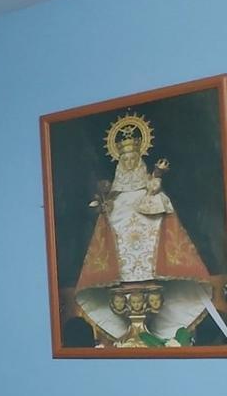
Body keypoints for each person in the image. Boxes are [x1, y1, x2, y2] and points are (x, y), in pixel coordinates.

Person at [75, 117, 212, 345]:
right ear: (119, 161)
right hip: (121, 277)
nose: (129, 162)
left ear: (139, 158)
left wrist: (156, 175)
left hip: (152, 272)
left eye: (133, 158)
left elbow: (160, 212)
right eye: (125, 158)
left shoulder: (149, 191)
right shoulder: (114, 200)